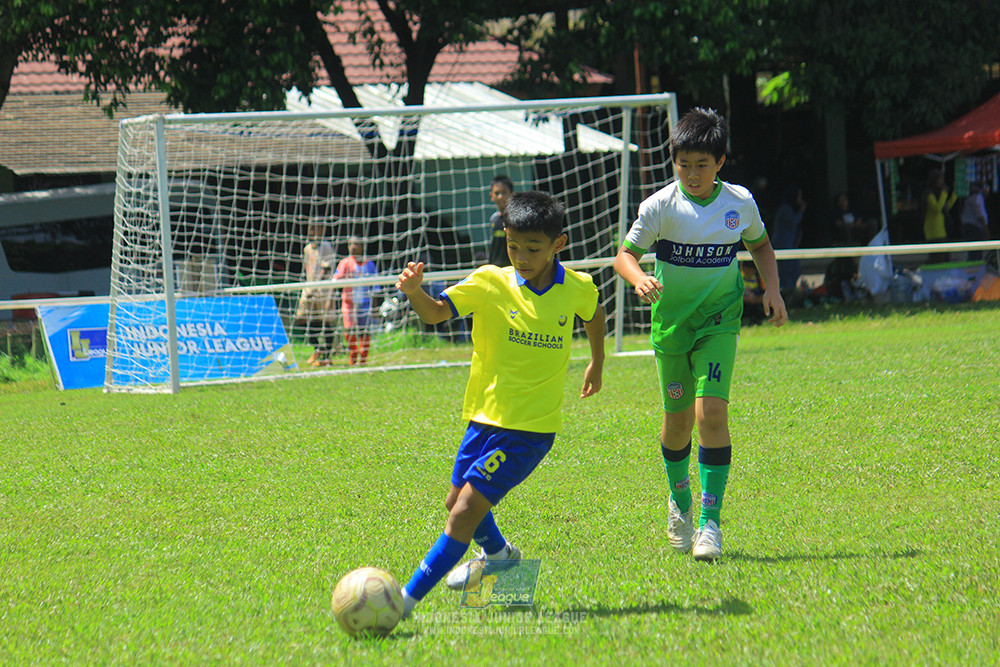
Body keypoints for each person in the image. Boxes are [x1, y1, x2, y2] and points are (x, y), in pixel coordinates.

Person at [395, 190, 606, 619]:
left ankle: (403, 602)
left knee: (464, 515)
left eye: (533, 248)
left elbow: (594, 314)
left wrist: (597, 361)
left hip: (531, 429)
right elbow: (436, 313)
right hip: (482, 419)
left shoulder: (577, 287)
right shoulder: (490, 282)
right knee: (456, 501)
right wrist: (416, 292)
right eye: (513, 246)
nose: (522, 256)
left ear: (558, 245)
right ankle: (502, 557)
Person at [613, 107, 787, 562]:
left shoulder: (739, 203)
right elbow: (624, 256)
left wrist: (773, 290)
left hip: (718, 321)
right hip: (671, 326)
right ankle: (681, 503)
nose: (691, 174)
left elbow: (761, 246)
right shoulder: (659, 207)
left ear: (721, 162)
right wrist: (637, 278)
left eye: (701, 164)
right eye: (683, 163)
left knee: (710, 414)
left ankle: (710, 523)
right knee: (678, 422)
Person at [294, 222, 336, 367]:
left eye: (317, 228)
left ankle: (327, 355)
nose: (314, 231)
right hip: (309, 288)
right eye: (312, 228)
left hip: (323, 290)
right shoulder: (307, 249)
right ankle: (318, 348)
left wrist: (316, 286)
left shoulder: (326, 247)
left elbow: (326, 269)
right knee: (301, 318)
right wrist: (309, 288)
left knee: (326, 321)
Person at [333, 236, 378, 366]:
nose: (353, 247)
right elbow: (336, 279)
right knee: (349, 330)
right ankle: (353, 356)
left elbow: (375, 287)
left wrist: (375, 307)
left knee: (364, 331)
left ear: (362, 247)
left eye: (356, 244)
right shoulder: (345, 263)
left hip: (365, 302)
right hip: (349, 302)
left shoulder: (369, 265)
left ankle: (363, 359)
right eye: (351, 244)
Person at [771, 184, 806, 293]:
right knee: (786, 270)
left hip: (790, 243)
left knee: (794, 269)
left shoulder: (789, 209)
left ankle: (790, 290)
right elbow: (792, 222)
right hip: (783, 243)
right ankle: (786, 292)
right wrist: (802, 210)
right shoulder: (785, 209)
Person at [923, 169, 958, 264]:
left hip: (942, 230)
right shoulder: (929, 194)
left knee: (946, 256)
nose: (942, 182)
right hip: (934, 231)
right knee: (938, 258)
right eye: (940, 180)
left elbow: (946, 207)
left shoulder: (939, 195)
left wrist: (955, 193)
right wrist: (944, 193)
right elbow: (937, 208)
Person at [487, 175, 514, 266]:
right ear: (491, 195)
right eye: (497, 193)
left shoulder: (515, 218)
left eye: (504, 193)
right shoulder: (494, 218)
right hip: (496, 267)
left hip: (512, 268)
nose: (500, 197)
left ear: (511, 194)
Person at [960, 181, 990, 261]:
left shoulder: (971, 197)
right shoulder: (977, 197)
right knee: (975, 254)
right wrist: (986, 230)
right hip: (973, 229)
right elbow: (980, 215)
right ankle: (973, 271)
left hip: (969, 227)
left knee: (974, 253)